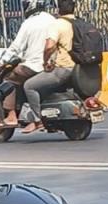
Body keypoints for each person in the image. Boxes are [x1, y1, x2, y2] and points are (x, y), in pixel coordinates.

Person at [21, 0, 77, 135]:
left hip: (63, 69)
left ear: (59, 9)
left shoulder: (57, 24)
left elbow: (50, 47)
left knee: (29, 86)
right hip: (78, 69)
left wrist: (45, 62)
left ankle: (37, 120)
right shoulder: (78, 24)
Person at [0, 0, 54, 128]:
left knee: (8, 79)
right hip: (50, 67)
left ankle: (11, 116)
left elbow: (16, 47)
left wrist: (2, 62)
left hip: (33, 66)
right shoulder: (52, 20)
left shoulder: (28, 23)